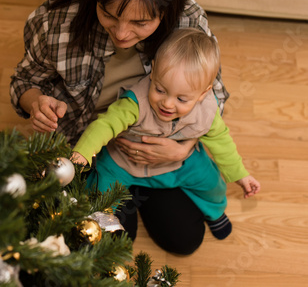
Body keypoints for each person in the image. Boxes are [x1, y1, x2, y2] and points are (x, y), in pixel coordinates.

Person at [10, 0, 229, 254]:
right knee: (103, 243)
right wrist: (35, 102)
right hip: (89, 151)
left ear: (168, 10)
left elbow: (213, 95)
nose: (122, 33)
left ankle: (142, 188)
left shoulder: (189, 22)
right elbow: (24, 80)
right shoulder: (54, 22)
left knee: (184, 239)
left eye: (141, 22)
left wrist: (184, 147)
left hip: (162, 152)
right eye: (110, 14)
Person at [71, 28, 261, 241]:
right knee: (100, 190)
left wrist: (241, 174)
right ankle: (101, 221)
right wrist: (82, 154)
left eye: (181, 99)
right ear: (153, 72)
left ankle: (215, 212)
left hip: (175, 164)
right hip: (123, 163)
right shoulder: (135, 103)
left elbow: (221, 140)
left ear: (203, 93)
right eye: (160, 90)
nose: (168, 104)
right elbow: (104, 126)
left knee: (212, 182)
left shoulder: (207, 110)